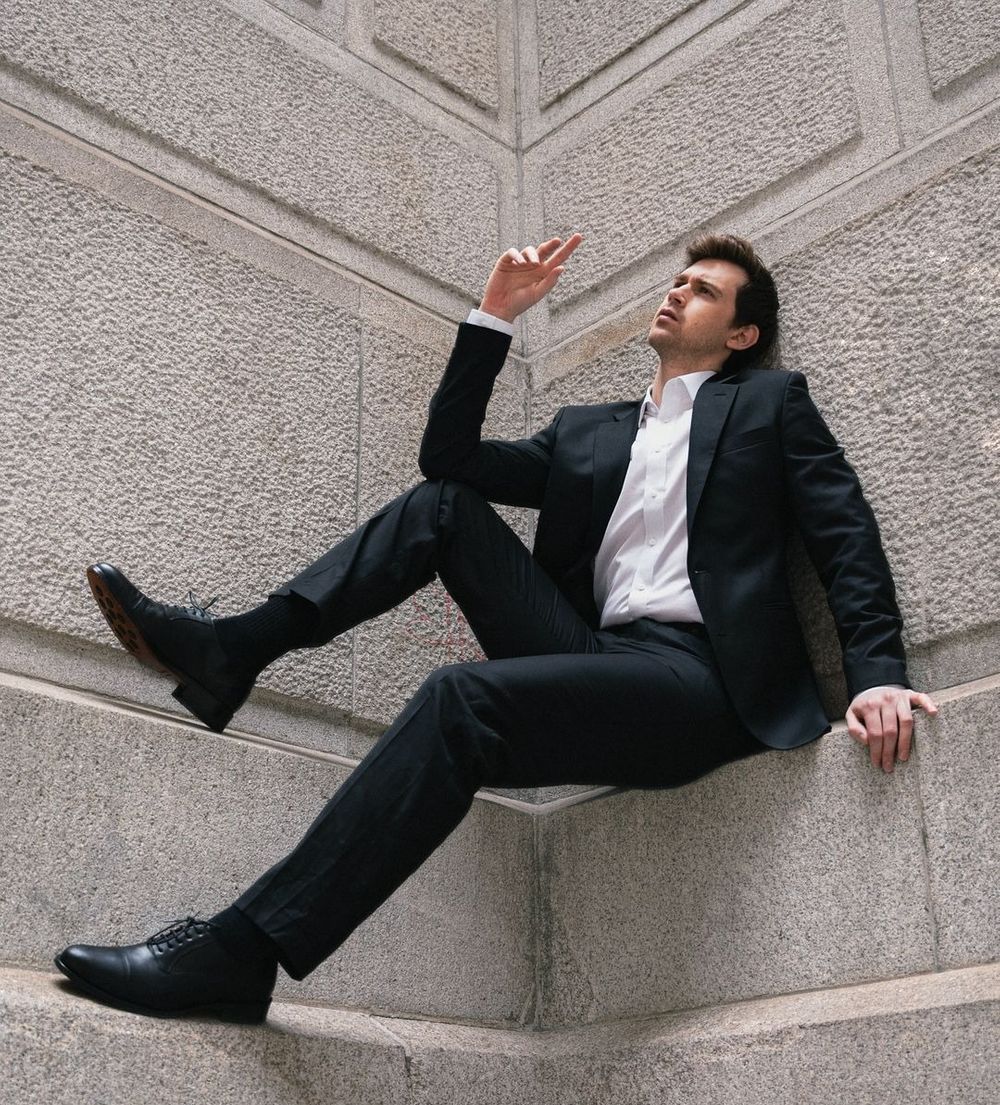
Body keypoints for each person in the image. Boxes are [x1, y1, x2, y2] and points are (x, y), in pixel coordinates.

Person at [54, 232, 938, 1023]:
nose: (676, 292)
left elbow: (843, 534)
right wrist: (492, 319)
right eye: (676, 280)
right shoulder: (590, 432)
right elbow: (450, 460)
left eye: (704, 289)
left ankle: (240, 952)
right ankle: (234, 647)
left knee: (459, 701)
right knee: (442, 506)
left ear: (741, 335)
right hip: (594, 657)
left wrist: (875, 673)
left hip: (699, 680)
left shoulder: (769, 405)